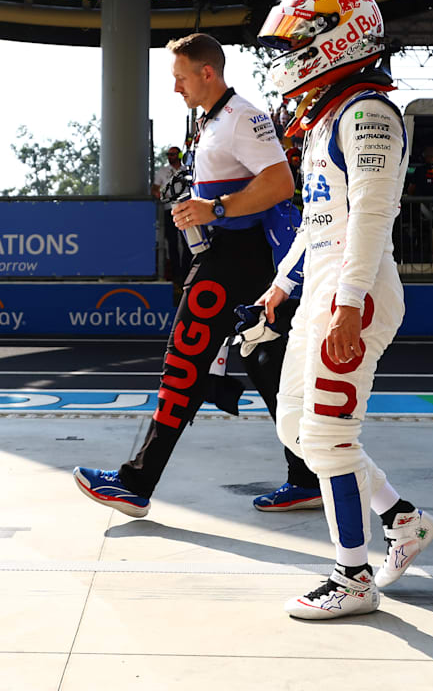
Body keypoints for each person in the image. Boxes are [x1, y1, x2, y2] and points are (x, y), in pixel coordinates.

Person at [74, 33, 325, 518]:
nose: (175, 88)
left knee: (184, 360)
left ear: (206, 73)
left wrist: (215, 207)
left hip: (233, 259)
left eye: (180, 77)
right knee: (266, 366)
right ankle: (308, 476)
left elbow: (280, 182)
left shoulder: (242, 117)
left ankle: (135, 482)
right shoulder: (212, 121)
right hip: (231, 256)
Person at [255, 0, 433, 620]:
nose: (285, 56)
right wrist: (281, 286)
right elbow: (318, 219)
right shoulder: (331, 114)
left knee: (329, 436)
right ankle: (402, 519)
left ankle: (352, 575)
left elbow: (371, 216)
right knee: (296, 428)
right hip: (327, 288)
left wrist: (349, 303)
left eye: (296, 39)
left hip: (352, 290)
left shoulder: (368, 113)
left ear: (340, 35)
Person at [152, 145, 187, 281]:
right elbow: (154, 188)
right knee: (172, 242)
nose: (170, 157)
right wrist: (162, 197)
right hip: (169, 209)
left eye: (173, 154)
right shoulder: (163, 171)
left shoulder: (186, 169)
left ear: (179, 156)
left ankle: (186, 272)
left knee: (187, 242)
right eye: (168, 154)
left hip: (186, 206)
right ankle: (176, 275)